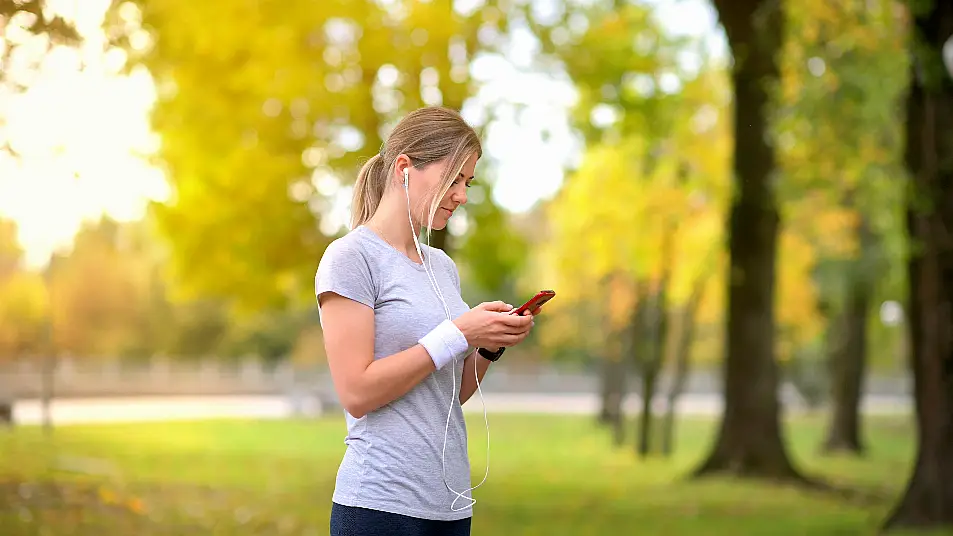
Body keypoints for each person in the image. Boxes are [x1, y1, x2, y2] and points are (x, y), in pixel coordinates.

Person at [315, 106, 541, 536]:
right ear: (404, 167)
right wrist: (459, 331)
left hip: (449, 507)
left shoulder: (441, 267)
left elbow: (448, 393)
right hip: (379, 507)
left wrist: (489, 345)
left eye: (468, 182)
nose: (463, 195)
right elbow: (357, 392)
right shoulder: (351, 258)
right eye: (454, 178)